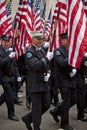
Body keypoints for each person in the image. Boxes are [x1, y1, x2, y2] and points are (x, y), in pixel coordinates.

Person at [21, 30, 53, 130]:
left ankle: (27, 118)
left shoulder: (42, 51)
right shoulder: (29, 53)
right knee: (37, 108)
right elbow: (35, 66)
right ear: (32, 39)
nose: (40, 41)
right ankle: (36, 127)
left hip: (43, 83)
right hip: (35, 84)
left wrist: (48, 72)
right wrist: (47, 59)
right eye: (38, 39)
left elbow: (46, 66)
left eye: (41, 39)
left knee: (47, 105)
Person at [50, 33, 77, 130]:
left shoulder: (70, 50)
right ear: (62, 40)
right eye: (67, 39)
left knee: (74, 99)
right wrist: (72, 56)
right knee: (66, 102)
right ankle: (64, 124)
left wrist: (74, 68)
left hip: (71, 78)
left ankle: (56, 110)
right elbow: (61, 63)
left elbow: (73, 62)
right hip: (62, 80)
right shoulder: (58, 51)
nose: (69, 41)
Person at [0, 34, 19, 121]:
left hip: (10, 76)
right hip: (2, 75)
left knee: (6, 94)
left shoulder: (9, 50)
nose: (7, 43)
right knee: (10, 95)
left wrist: (17, 75)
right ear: (1, 41)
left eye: (8, 41)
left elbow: (14, 65)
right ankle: (11, 114)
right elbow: (1, 63)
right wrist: (9, 57)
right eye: (5, 41)